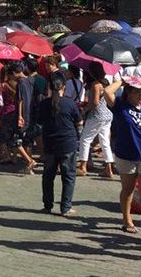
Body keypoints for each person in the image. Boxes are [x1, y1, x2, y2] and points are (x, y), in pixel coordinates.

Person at [107, 75, 141, 241]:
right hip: (125, 155)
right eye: (136, 92)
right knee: (127, 189)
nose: (140, 95)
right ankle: (127, 220)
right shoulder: (120, 106)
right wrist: (123, 80)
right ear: (128, 93)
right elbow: (107, 91)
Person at [37, 72, 83, 216]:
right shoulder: (70, 103)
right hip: (67, 143)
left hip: (50, 144)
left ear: (50, 86)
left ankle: (47, 205)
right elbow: (79, 121)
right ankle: (66, 207)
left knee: (48, 176)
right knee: (68, 176)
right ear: (64, 86)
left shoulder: (44, 104)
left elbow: (38, 121)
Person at [77, 63, 115, 178]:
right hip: (107, 114)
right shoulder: (106, 83)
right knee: (105, 141)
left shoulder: (95, 84)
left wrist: (85, 109)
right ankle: (109, 167)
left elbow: (95, 102)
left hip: (96, 115)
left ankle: (83, 166)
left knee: (85, 139)